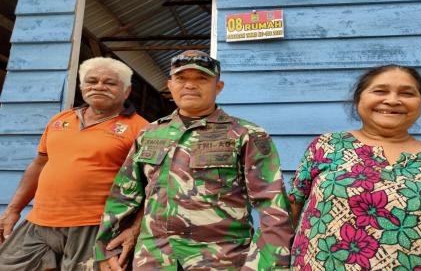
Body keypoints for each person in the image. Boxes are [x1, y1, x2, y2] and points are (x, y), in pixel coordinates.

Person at [94, 50, 294, 270]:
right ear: (170, 86)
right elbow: (124, 194)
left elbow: (273, 205)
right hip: (154, 259)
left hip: (220, 259)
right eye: (181, 78)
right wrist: (106, 250)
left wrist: (269, 264)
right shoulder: (150, 133)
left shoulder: (247, 134)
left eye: (201, 78)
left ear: (218, 87)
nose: (190, 85)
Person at [288, 64, 421, 270]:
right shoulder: (327, 146)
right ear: (359, 99)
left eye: (407, 93)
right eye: (380, 91)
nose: (392, 100)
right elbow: (289, 214)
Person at [0, 57, 149, 271]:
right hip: (40, 221)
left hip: (96, 226)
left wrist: (134, 229)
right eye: (92, 81)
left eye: (110, 82)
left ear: (126, 91)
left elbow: (151, 185)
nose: (99, 86)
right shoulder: (61, 119)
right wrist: (13, 209)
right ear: (82, 86)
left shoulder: (141, 128)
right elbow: (40, 164)